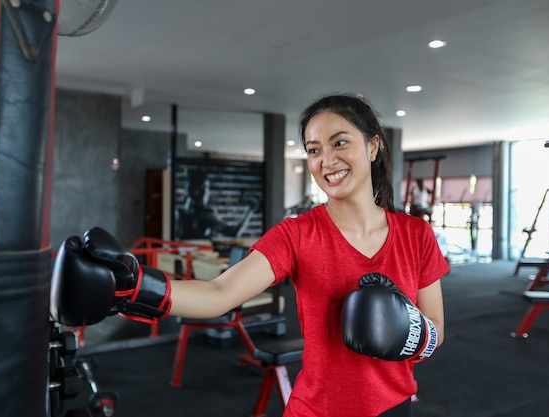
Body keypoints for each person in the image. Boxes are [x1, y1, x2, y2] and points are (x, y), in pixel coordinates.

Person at [51, 93, 449, 417]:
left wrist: (408, 333)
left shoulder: (416, 235)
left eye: (339, 142)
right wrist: (135, 284)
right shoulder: (298, 234)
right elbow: (220, 293)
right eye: (313, 149)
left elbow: (437, 329)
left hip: (395, 407)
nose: (326, 160)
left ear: (373, 146)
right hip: (318, 409)